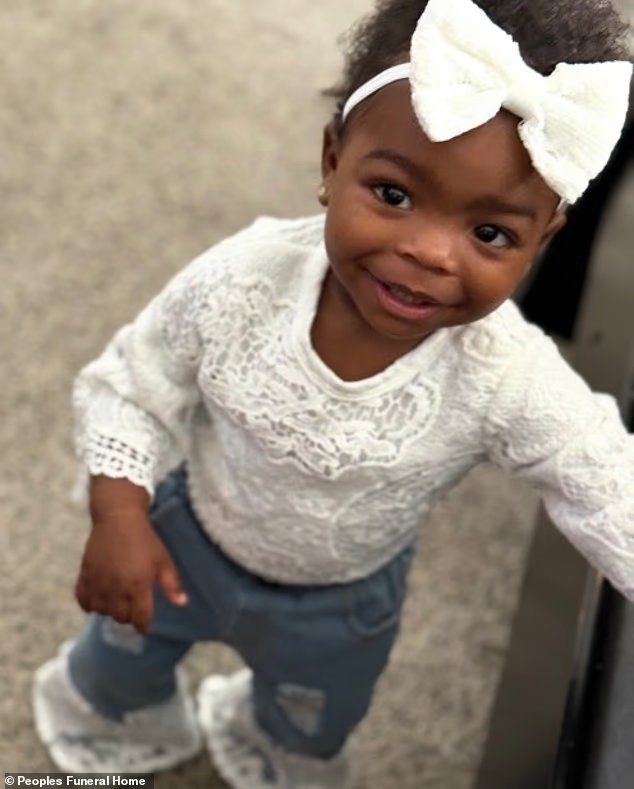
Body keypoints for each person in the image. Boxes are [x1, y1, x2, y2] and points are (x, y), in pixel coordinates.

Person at [32, 0, 632, 786]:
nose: (429, 252)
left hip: (340, 602)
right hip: (183, 539)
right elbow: (135, 380)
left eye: (490, 234)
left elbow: (601, 475)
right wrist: (118, 513)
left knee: (310, 716)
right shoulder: (246, 277)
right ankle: (117, 728)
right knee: (117, 661)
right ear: (332, 161)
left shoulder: (505, 373)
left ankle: (271, 745)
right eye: (393, 194)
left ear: (542, 239)